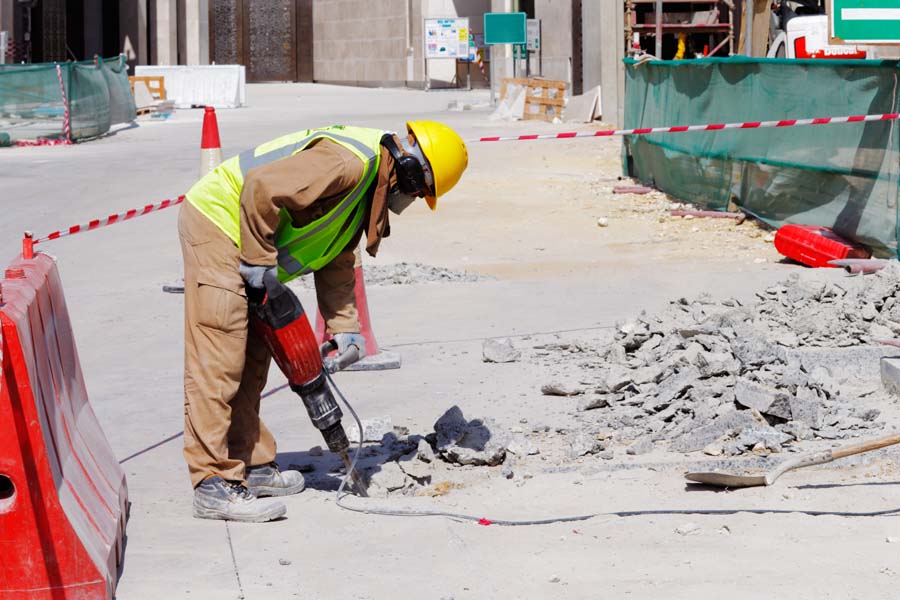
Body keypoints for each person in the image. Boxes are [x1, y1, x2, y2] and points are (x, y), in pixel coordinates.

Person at [178, 122, 468, 522]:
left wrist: (345, 326)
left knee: (254, 356)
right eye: (420, 190)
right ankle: (212, 483)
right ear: (412, 168)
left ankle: (251, 463)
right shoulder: (348, 163)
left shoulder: (369, 186)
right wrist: (259, 262)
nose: (414, 199)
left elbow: (336, 254)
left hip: (250, 234)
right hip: (221, 223)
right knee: (221, 353)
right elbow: (261, 188)